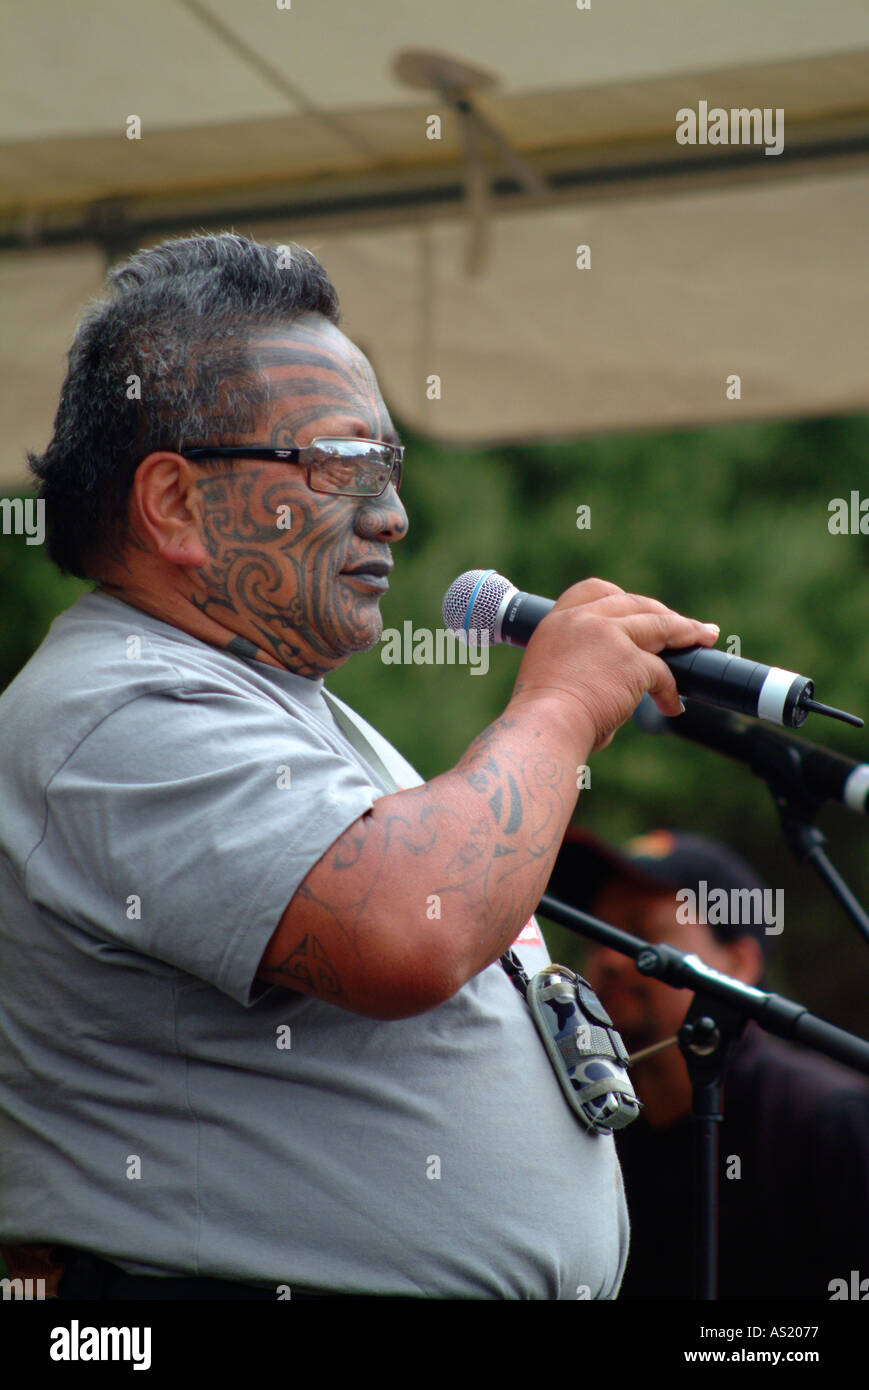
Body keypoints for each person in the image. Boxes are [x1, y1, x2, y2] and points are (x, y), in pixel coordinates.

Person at [0, 232, 721, 1301]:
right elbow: (408, 929)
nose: (391, 512)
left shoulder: (271, 702)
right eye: (344, 464)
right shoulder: (112, 708)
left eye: (390, 467)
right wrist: (562, 705)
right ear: (176, 504)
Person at [547, 827, 869, 1300]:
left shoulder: (829, 1122)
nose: (609, 960)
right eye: (598, 934)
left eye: (640, 935)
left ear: (738, 965)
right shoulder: (582, 1122)